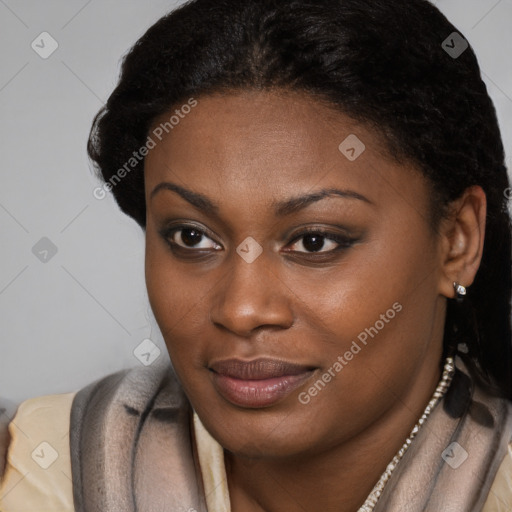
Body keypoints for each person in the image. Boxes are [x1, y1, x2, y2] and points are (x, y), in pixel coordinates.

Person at [1, 0, 512, 510]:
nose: (241, 310)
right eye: (191, 237)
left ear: (456, 241)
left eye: (315, 241)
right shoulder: (43, 468)